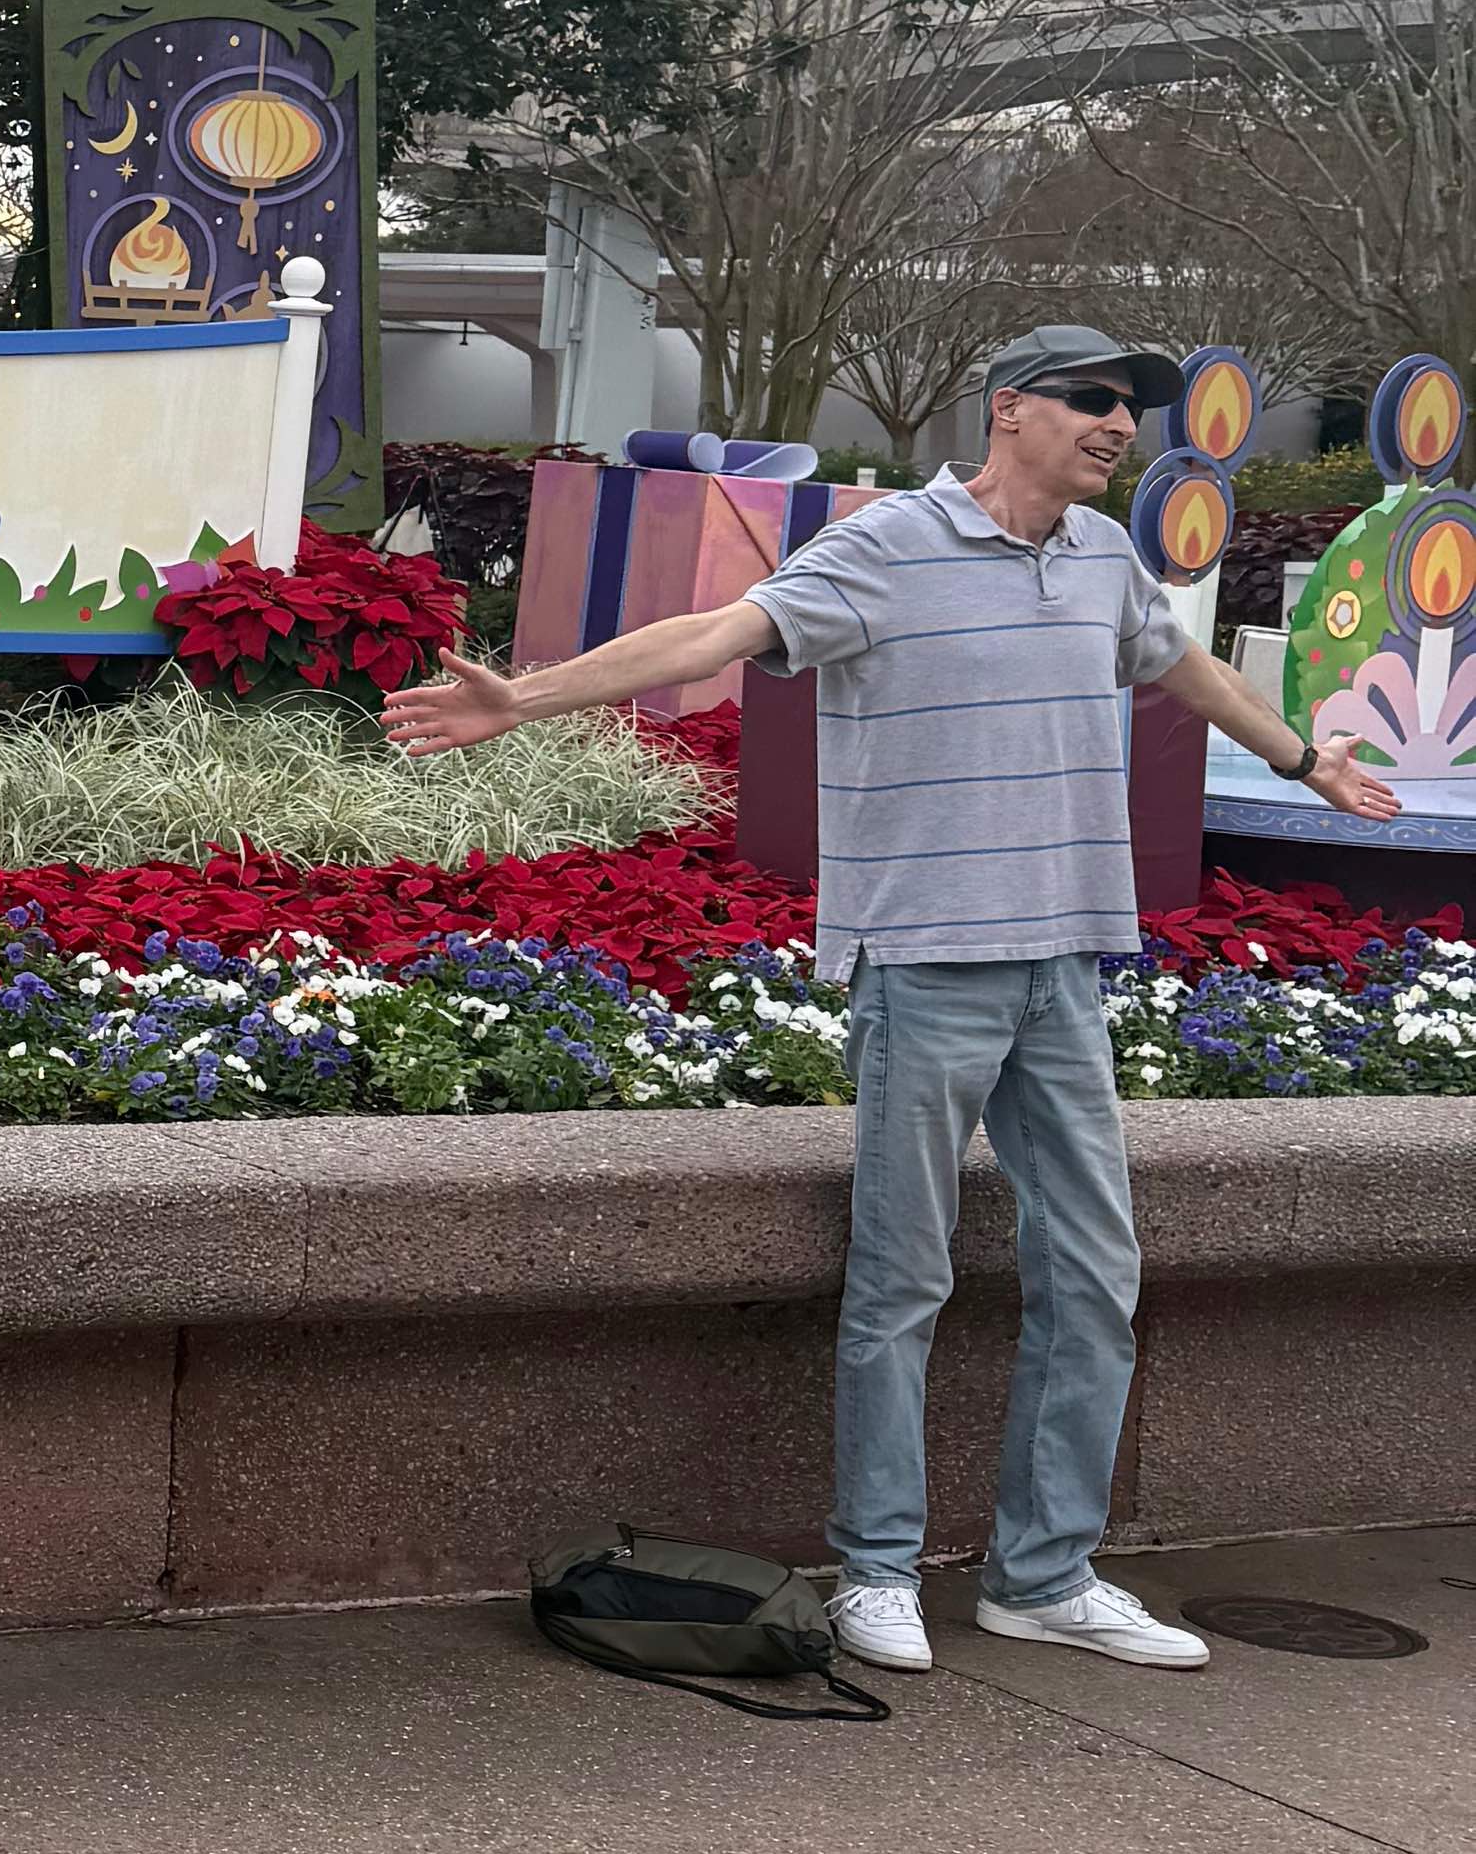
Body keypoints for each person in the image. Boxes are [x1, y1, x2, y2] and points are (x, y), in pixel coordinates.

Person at [389, 325, 1402, 1678]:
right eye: (1093, 401)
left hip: (1067, 963)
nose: (1119, 425)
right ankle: (877, 1569)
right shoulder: (883, 548)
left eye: (1131, 408)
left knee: (1097, 1277)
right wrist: (527, 698)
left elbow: (1180, 660)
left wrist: (1302, 759)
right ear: (1009, 410)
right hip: (926, 965)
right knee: (903, 1280)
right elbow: (716, 630)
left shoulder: (1103, 557)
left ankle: (1044, 1577)